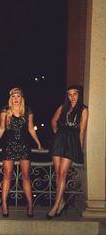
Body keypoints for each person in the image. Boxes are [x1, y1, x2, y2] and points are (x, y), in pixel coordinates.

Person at [0, 87, 42, 218]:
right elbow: (1, 128)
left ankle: (30, 205)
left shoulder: (28, 111)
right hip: (8, 146)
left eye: (18, 96)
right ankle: (4, 205)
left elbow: (31, 128)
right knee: (7, 176)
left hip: (24, 146)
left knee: (26, 176)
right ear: (10, 98)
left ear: (22, 98)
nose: (16, 99)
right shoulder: (4, 111)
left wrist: (38, 142)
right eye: (13, 96)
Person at [46, 85, 88, 219]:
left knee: (63, 174)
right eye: (70, 94)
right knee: (57, 173)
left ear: (79, 94)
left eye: (74, 94)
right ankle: (62, 201)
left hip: (71, 142)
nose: (72, 97)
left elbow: (81, 131)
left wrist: (79, 149)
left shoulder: (83, 109)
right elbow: (53, 120)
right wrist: (56, 132)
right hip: (59, 140)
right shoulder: (62, 107)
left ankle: (56, 205)